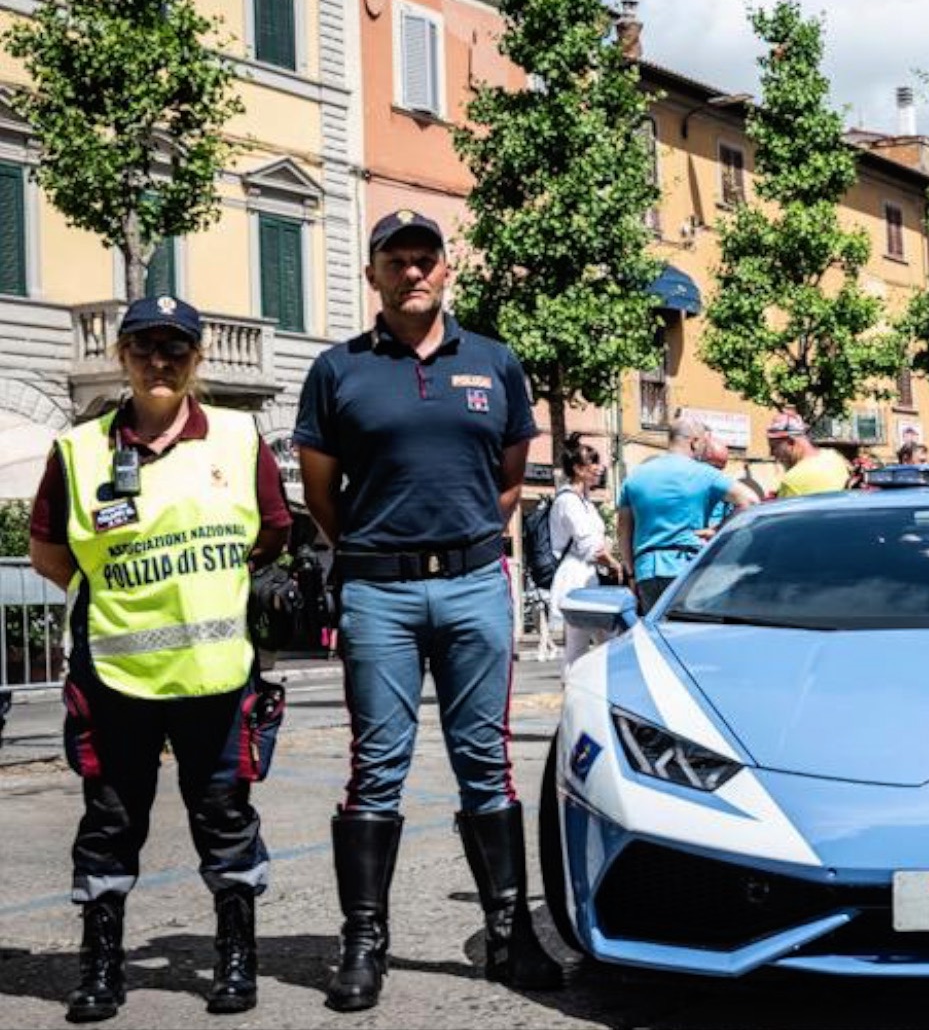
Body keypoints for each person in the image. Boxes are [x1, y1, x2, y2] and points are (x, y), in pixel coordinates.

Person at [293, 209, 561, 1012]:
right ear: (373, 274)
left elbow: (507, 481)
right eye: (396, 261)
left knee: (487, 760)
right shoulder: (338, 370)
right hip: (379, 591)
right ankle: (363, 941)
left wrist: (459, 543)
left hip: (476, 583)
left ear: (448, 270)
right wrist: (380, 552)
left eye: (425, 259)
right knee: (377, 767)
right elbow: (318, 493)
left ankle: (510, 934)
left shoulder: (495, 362)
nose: (413, 272)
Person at [27, 295, 292, 1020]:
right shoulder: (80, 451)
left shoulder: (238, 439)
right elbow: (49, 552)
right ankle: (102, 966)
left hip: (215, 676)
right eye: (143, 348)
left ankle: (236, 962)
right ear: (122, 357)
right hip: (115, 680)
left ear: (197, 359)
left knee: (224, 816)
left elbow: (271, 532)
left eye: (175, 349)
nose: (159, 362)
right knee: (110, 821)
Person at [617, 415, 759, 612]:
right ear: (694, 442)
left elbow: (623, 533)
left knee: (656, 637)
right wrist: (718, 529)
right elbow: (751, 500)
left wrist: (631, 574)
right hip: (686, 569)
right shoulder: (704, 473)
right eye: (704, 443)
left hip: (646, 572)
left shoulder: (635, 477)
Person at [547, 433, 619, 664]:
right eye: (593, 463)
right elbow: (591, 548)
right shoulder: (568, 501)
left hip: (589, 579)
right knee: (577, 651)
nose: (599, 468)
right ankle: (573, 693)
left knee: (608, 646)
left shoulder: (583, 501)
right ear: (578, 469)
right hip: (577, 579)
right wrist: (618, 565)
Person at [767, 410, 850, 497]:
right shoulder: (833, 457)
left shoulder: (793, 480)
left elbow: (782, 510)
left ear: (790, 442)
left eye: (774, 447)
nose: (772, 453)